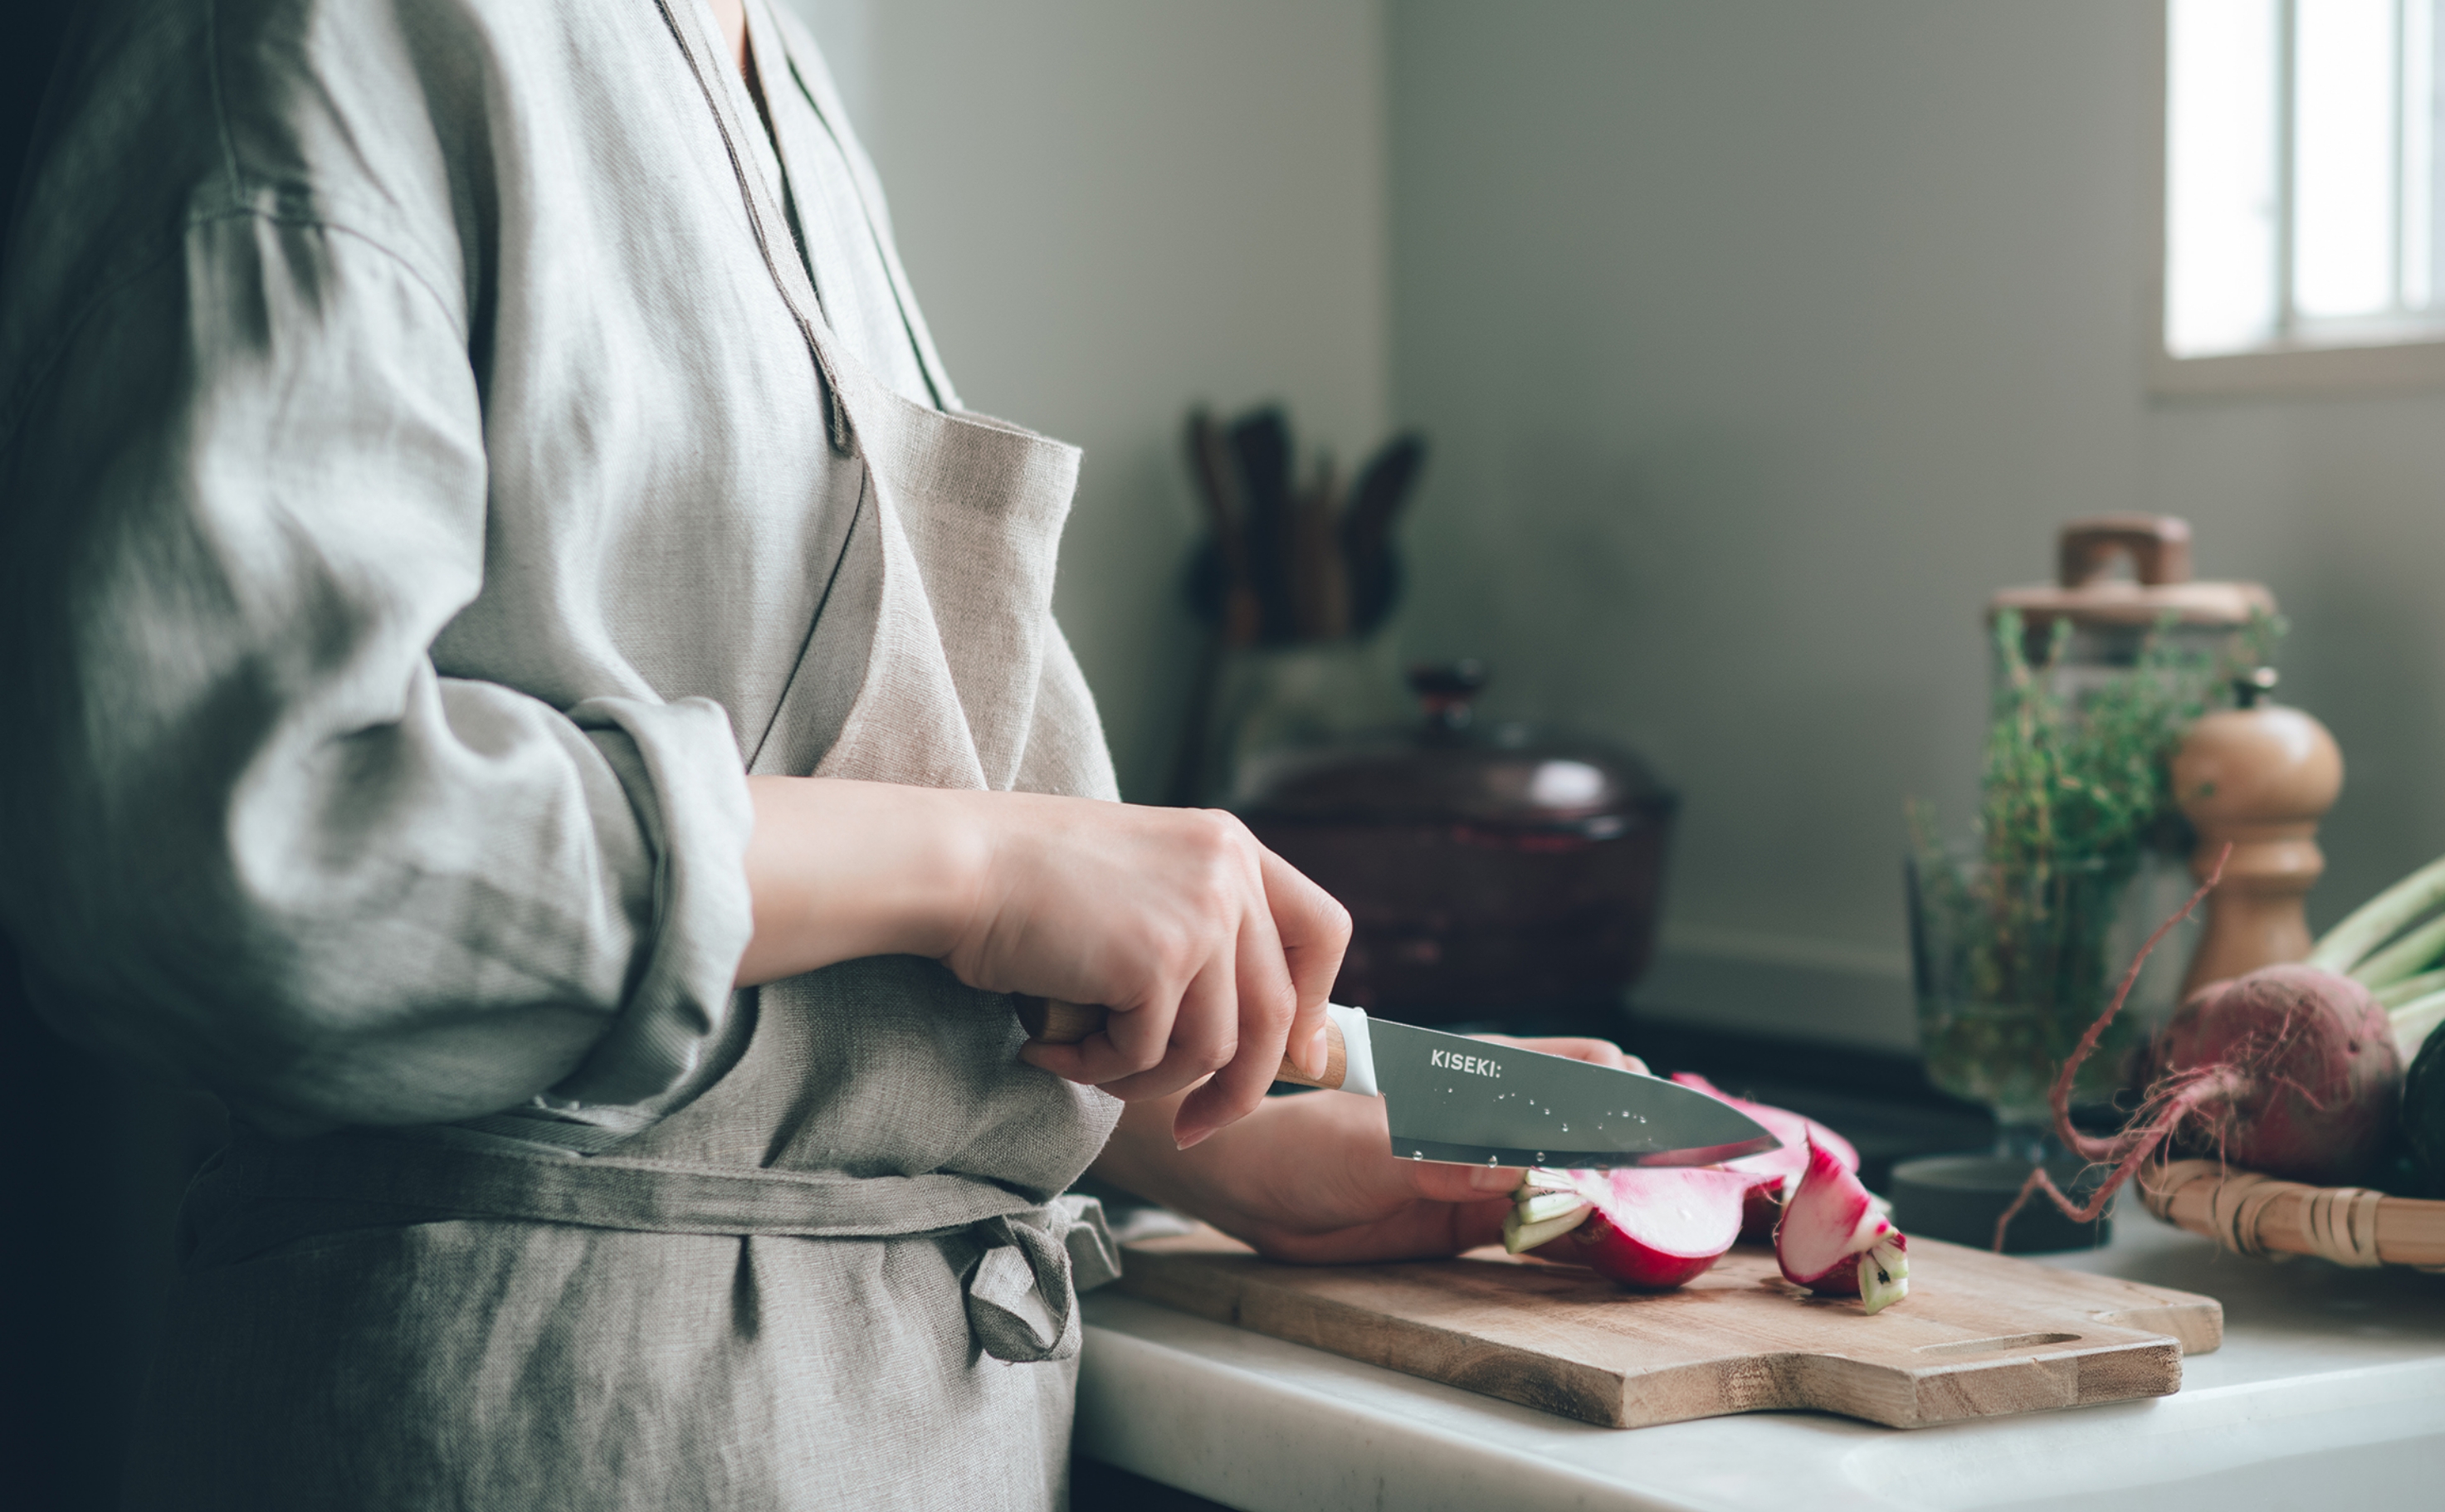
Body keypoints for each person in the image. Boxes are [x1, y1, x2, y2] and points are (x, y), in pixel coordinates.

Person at [0, 1, 1633, 1505]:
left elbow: (791, 969)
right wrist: (984, 858)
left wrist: (1220, 1142)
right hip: (553, 1421)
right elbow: (222, 844)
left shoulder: (758, 51)